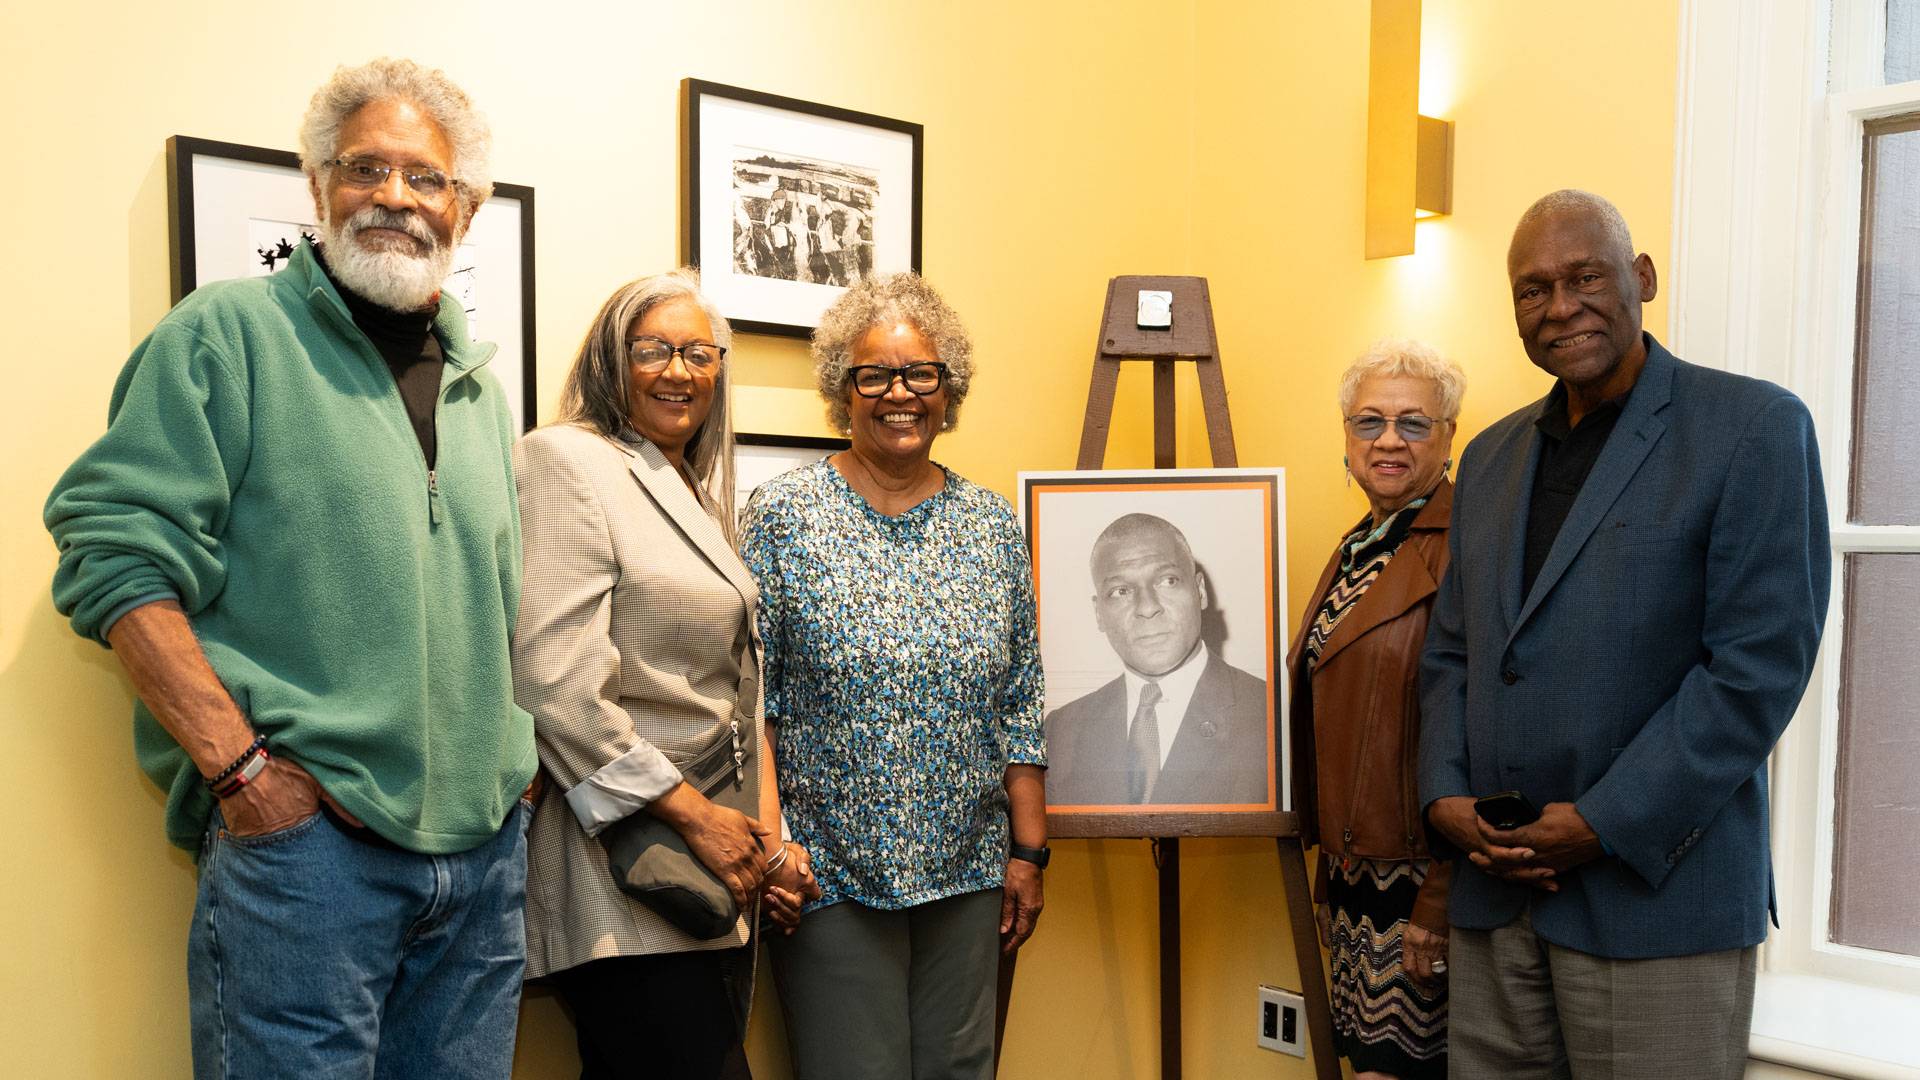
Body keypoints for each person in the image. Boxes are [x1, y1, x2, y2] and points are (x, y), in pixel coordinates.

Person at [43, 58, 534, 1078]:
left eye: (425, 177)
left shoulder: (485, 396)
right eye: (365, 169)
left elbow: (500, 616)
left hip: (480, 873)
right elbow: (111, 551)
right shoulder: (225, 337)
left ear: (467, 208)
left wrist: (510, 784)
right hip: (310, 865)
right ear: (319, 188)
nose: (395, 197)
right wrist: (242, 774)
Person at [1419, 189, 1829, 1079]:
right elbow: (1455, 650)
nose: (1559, 307)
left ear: (1640, 278)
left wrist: (1602, 822)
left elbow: (1756, 673)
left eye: (1583, 278)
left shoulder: (1753, 428)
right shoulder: (1488, 457)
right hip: (1496, 901)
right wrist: (1443, 799)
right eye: (1533, 290)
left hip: (1659, 906)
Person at [510, 270, 819, 1079]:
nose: (678, 371)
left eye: (698, 353)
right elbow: (554, 683)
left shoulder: (685, 483)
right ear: (612, 361)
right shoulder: (566, 460)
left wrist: (765, 843)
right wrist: (697, 820)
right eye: (653, 350)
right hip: (625, 866)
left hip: (706, 862)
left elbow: (736, 692)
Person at [739, 272, 1047, 1080]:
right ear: (844, 392)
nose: (898, 393)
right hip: (831, 873)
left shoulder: (991, 526)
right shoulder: (782, 514)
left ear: (949, 391)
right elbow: (752, 698)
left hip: (972, 870)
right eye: (872, 375)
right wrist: (774, 847)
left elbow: (1019, 699)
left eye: (920, 374)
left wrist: (1030, 852)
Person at [1284, 340, 1465, 1080]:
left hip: (1418, 882)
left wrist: (1439, 901)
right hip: (1357, 877)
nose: (1388, 441)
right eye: (1369, 423)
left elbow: (1478, 734)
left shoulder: (1462, 548)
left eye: (1413, 423)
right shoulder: (1361, 544)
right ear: (1347, 442)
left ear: (1449, 437)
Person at [1045, 514, 1271, 806]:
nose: (1148, 607)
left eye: (1167, 581)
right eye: (1121, 591)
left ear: (1199, 591)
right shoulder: (1062, 730)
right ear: (1099, 612)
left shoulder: (1268, 714)